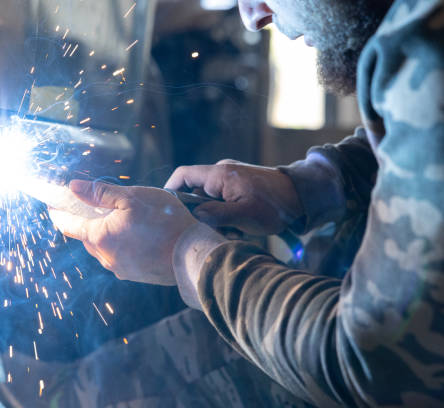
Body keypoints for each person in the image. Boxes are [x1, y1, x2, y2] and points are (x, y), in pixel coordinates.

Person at [49, 0, 444, 406]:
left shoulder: (425, 52)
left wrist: (186, 256)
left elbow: (375, 365)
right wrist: (308, 186)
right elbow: (413, 139)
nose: (253, 18)